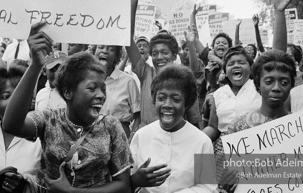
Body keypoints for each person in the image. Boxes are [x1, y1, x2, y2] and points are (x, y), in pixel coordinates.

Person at [2, 22, 132, 192]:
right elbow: (11, 124)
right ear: (68, 93)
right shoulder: (49, 119)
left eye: (103, 88)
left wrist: (72, 192)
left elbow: (124, 185)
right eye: (92, 88)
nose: (101, 95)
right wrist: (35, 66)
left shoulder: (112, 126)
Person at [130, 64, 223, 193]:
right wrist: (135, 180)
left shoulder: (201, 141)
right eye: (161, 98)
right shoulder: (141, 136)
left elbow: (209, 187)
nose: (167, 105)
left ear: (187, 103)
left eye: (175, 99)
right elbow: (129, 179)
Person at [125, 0, 201, 128]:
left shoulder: (184, 79)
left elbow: (195, 122)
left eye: (165, 52)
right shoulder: (145, 73)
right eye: (154, 53)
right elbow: (127, 37)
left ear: (174, 55)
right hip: (147, 141)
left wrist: (191, 44)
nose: (159, 57)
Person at [202, 46, 261, 179]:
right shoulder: (219, 94)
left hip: (254, 147)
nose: (236, 66)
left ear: (251, 68)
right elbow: (213, 127)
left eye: (241, 62)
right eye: (231, 64)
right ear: (225, 71)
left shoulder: (259, 88)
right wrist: (196, 139)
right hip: (223, 152)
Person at [228, 49, 296, 133]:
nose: (276, 88)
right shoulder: (238, 127)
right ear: (258, 83)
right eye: (269, 82)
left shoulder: (299, 126)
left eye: (284, 83)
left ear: (291, 85)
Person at [93, 44, 141, 138]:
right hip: (92, 137)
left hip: (120, 137)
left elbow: (138, 115)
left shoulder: (128, 81)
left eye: (111, 49)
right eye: (101, 47)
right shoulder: (86, 79)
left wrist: (132, 137)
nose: (105, 51)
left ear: (117, 56)